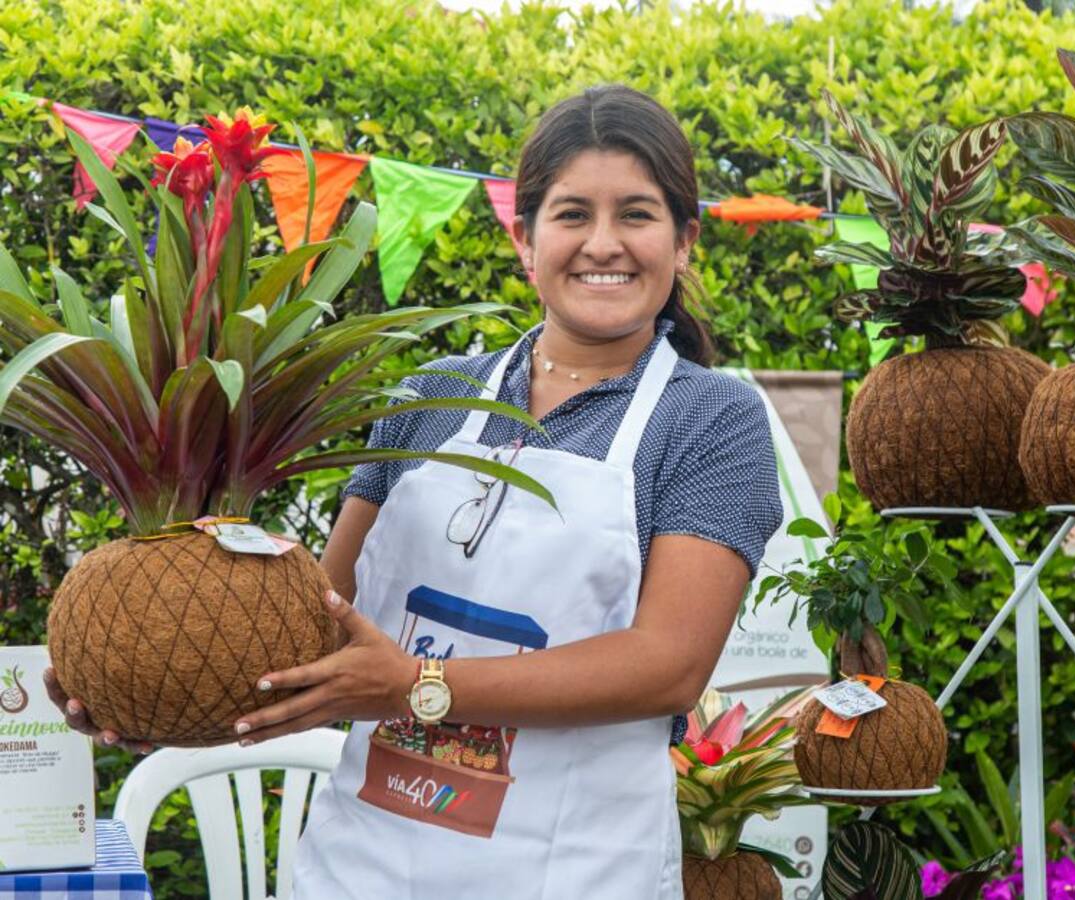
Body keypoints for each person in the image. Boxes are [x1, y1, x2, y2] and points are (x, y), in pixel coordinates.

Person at [49, 84, 783, 898]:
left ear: (684, 242)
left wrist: (415, 686)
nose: (602, 244)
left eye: (636, 215)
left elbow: (668, 665)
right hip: (359, 869)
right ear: (525, 238)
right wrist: (144, 678)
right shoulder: (434, 395)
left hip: (571, 875)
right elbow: (319, 627)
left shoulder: (710, 418)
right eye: (572, 214)